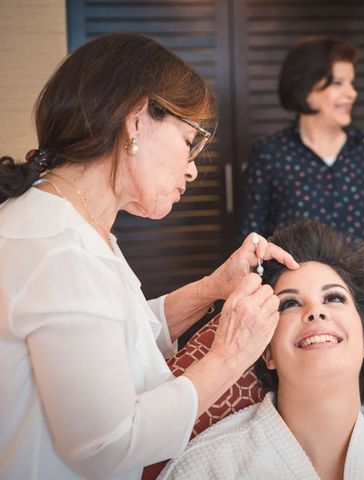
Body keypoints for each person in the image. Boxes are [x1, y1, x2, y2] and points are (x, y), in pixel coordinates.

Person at [0, 32, 299, 480]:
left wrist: (211, 289)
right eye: (190, 140)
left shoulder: (76, 225)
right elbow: (107, 443)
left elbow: (118, 339)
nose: (194, 167)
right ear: (137, 120)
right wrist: (229, 356)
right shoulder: (59, 249)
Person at [158, 220, 364, 479]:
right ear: (267, 352)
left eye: (334, 298)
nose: (315, 311)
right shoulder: (208, 466)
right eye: (289, 304)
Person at [239, 36, 364, 297]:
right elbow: (252, 241)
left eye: (351, 83)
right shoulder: (270, 154)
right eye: (338, 83)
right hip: (296, 305)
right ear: (306, 87)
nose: (352, 93)